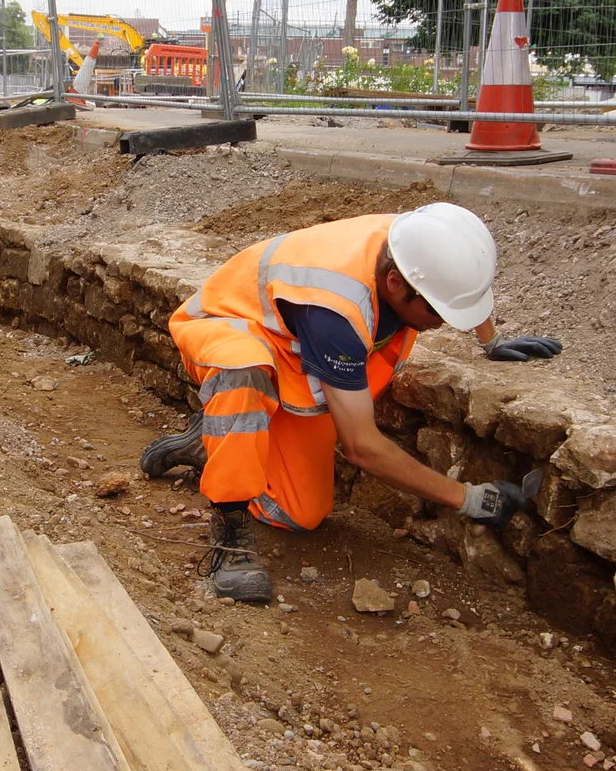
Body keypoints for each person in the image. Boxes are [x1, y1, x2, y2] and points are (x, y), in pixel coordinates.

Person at [139, 202, 562, 602]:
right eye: (439, 313)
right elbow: (360, 445)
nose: (443, 324)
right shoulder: (336, 311)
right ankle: (229, 530)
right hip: (230, 326)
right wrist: (469, 499)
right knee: (244, 369)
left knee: (300, 515)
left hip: (295, 349)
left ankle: (211, 441)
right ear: (396, 283)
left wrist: (491, 340)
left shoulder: (420, 242)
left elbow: (452, 282)